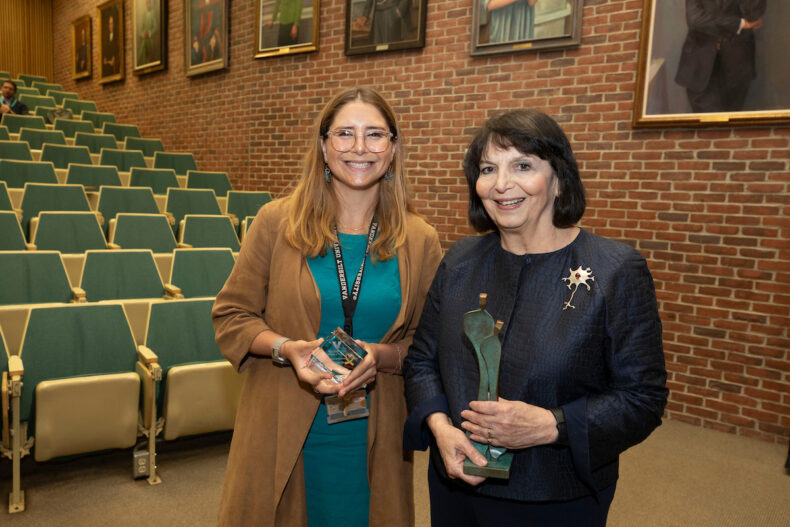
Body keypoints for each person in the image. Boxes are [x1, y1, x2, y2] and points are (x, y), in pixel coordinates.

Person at [403, 109, 668, 526]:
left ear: (559, 179)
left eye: (522, 165)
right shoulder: (459, 261)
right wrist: (440, 427)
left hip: (556, 496)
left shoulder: (615, 269)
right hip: (457, 486)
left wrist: (550, 425)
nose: (502, 184)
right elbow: (421, 361)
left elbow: (643, 399)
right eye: (488, 169)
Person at [212, 87, 442, 526]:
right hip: (284, 424)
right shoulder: (275, 223)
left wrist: (381, 355)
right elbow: (231, 315)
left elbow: (431, 347)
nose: (360, 148)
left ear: (392, 149)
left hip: (376, 432)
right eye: (345, 134)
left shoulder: (420, 239)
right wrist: (285, 348)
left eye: (375, 135)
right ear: (323, 146)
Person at [675, 0, 767, 113]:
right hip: (700, 66)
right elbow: (695, 20)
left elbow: (753, 17)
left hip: (738, 65)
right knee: (708, 123)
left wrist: (720, 22)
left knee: (732, 121)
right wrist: (738, 24)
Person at [102, 11, 120, 77]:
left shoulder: (117, 36)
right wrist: (104, 58)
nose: (110, 26)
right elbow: (105, 50)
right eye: (109, 24)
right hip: (107, 63)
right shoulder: (106, 38)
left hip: (114, 64)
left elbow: (118, 50)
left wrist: (114, 58)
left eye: (112, 24)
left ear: (114, 24)